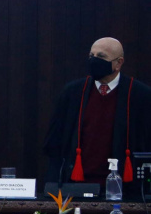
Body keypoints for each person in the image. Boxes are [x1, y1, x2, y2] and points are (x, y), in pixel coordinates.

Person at [44, 37, 151, 190]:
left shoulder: (140, 95)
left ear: (119, 62)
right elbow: (55, 144)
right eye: (91, 56)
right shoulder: (72, 93)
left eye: (101, 57)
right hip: (76, 185)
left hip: (123, 189)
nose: (94, 61)